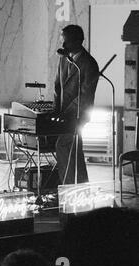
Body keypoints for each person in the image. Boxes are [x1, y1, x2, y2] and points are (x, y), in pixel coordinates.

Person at [54, 24, 99, 184]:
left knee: (64, 145)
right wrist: (55, 111)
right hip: (63, 115)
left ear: (78, 41)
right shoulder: (64, 59)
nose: (63, 46)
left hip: (77, 114)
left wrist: (67, 113)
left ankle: (69, 187)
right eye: (62, 41)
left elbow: (85, 96)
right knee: (73, 150)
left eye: (66, 42)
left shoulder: (89, 64)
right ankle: (80, 185)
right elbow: (57, 87)